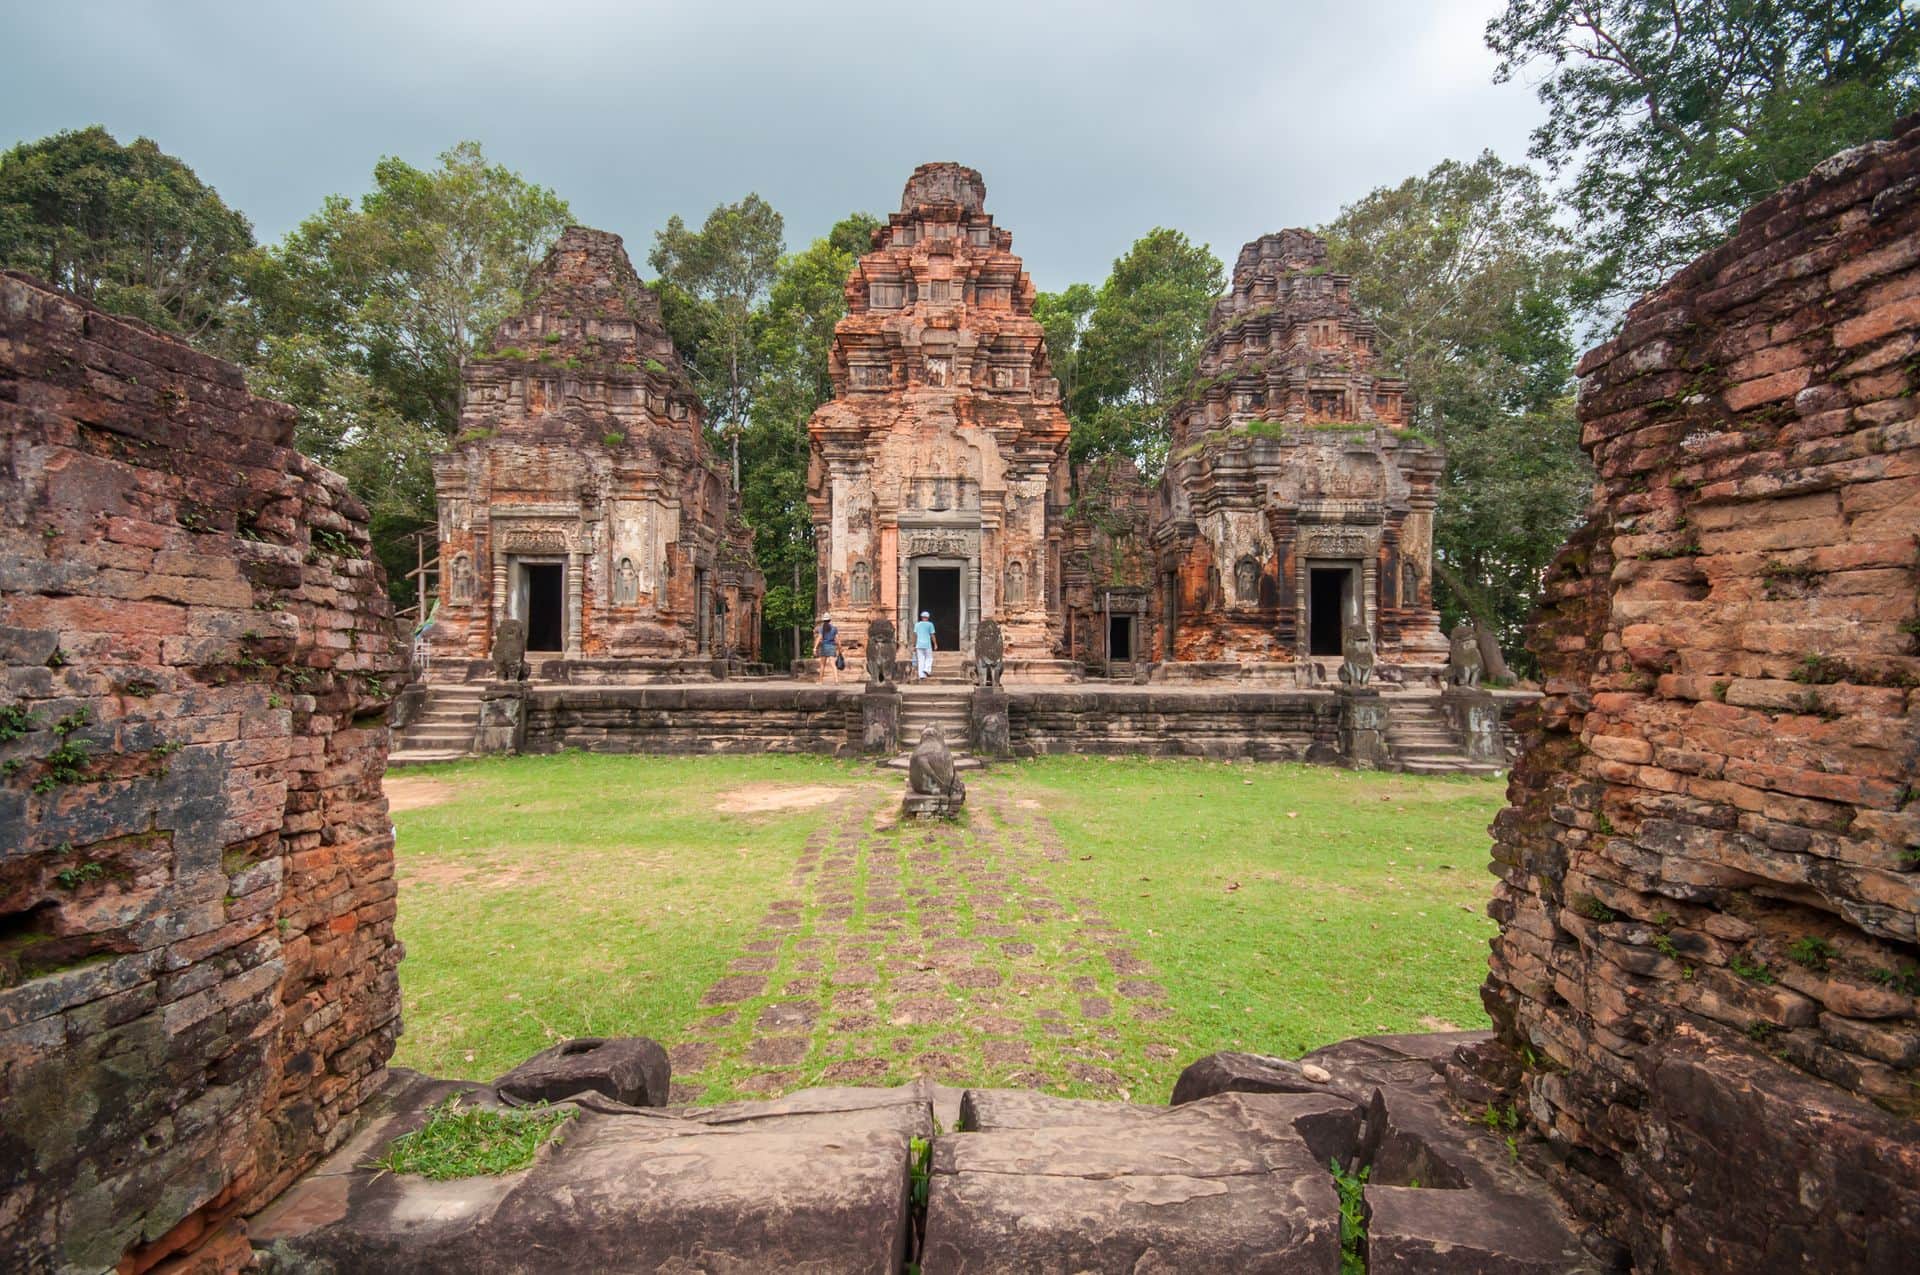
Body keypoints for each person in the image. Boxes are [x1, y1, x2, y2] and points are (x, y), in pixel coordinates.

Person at [913, 610, 936, 681]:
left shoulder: (917, 624)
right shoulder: (930, 624)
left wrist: (914, 645)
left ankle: (921, 675)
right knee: (929, 658)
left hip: (919, 645)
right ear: (928, 617)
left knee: (920, 660)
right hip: (927, 644)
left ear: (921, 617)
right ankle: (926, 669)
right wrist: (935, 644)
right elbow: (932, 635)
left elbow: (915, 635)